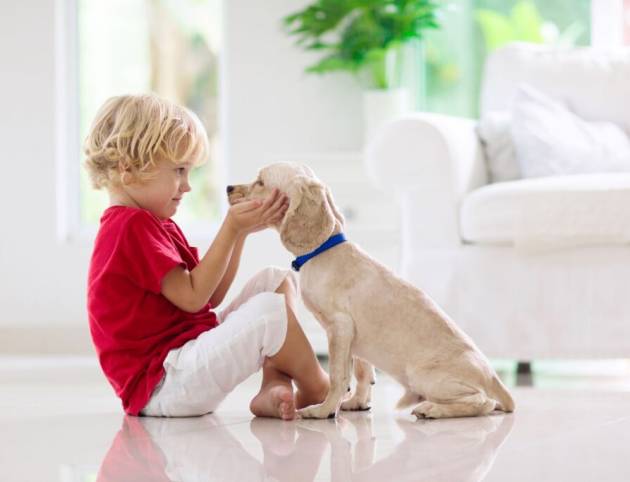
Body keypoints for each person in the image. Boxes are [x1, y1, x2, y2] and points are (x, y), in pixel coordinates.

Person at [85, 94, 329, 419]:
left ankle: (274, 382)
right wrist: (230, 227)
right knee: (270, 311)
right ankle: (318, 388)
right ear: (129, 170)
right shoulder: (130, 227)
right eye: (178, 170)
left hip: (184, 365)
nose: (186, 186)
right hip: (164, 384)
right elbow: (194, 298)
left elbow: (209, 297)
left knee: (277, 280)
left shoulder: (154, 223)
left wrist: (239, 232)